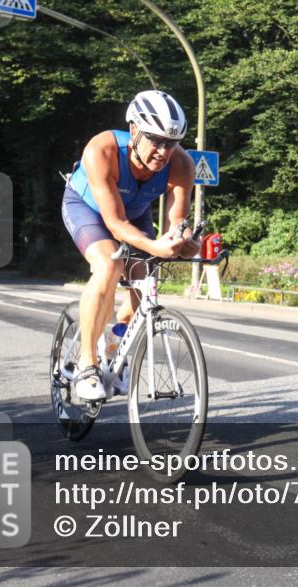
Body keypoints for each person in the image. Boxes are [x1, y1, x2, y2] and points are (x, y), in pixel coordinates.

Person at [61, 90, 199, 401]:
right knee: (109, 264)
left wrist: (184, 239)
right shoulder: (102, 150)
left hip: (135, 215)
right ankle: (86, 362)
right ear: (134, 130)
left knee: (146, 282)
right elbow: (114, 223)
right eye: (156, 141)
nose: (163, 151)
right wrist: (154, 245)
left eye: (171, 143)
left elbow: (177, 220)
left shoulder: (181, 164)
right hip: (87, 209)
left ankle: (114, 341)